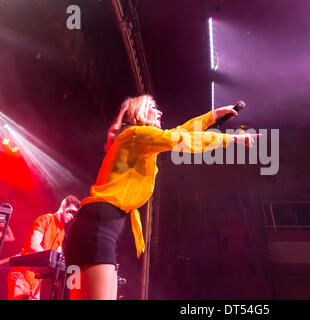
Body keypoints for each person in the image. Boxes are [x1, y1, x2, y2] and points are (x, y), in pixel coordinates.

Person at [65, 94, 261, 300]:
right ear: (136, 114)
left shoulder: (138, 142)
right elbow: (180, 139)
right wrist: (232, 139)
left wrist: (213, 116)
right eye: (152, 107)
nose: (160, 112)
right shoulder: (134, 134)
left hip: (96, 227)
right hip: (97, 227)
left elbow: (179, 133)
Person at [7, 195, 80, 300]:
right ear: (63, 207)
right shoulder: (45, 219)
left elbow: (57, 254)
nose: (72, 216)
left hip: (37, 278)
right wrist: (51, 260)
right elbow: (34, 245)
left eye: (75, 214)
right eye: (71, 211)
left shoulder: (62, 231)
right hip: (22, 274)